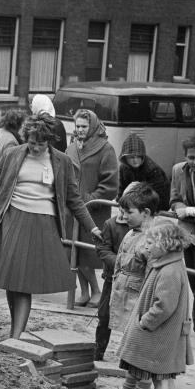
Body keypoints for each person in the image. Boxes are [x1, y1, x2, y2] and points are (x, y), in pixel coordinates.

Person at [0, 113, 101, 339]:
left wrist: (93, 228)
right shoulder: (12, 154)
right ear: (25, 138)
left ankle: (16, 337)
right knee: (13, 281)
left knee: (23, 284)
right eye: (31, 143)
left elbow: (74, 200)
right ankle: (15, 334)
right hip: (11, 221)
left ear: (49, 140)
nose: (36, 148)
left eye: (41, 143)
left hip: (42, 226)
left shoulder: (62, 162)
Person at [120, 223, 193, 389]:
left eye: (152, 242)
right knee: (166, 378)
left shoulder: (169, 271)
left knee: (160, 379)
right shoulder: (171, 263)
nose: (147, 246)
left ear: (166, 244)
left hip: (161, 335)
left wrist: (145, 322)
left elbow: (164, 306)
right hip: (168, 335)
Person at [99, 184, 158, 389]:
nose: (123, 217)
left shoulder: (152, 239)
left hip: (139, 303)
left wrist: (147, 308)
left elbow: (153, 279)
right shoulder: (132, 233)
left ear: (146, 213)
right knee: (129, 350)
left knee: (140, 353)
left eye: (129, 212)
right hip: (125, 298)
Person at [66, 109, 119, 308]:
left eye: (84, 126)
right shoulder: (71, 147)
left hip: (93, 210)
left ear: (93, 126)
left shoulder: (105, 148)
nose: (80, 130)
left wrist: (90, 199)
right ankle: (85, 291)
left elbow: (111, 183)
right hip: (71, 209)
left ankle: (96, 290)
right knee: (73, 251)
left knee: (88, 252)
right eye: (77, 126)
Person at [170, 136, 195, 332]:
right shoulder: (179, 170)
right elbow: (174, 197)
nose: (194, 162)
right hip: (188, 232)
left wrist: (191, 210)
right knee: (192, 280)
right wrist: (180, 207)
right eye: (191, 157)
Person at [118, 134, 170, 212]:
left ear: (143, 156)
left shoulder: (152, 169)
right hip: (134, 205)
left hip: (155, 207)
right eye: (131, 157)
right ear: (125, 158)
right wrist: (121, 200)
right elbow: (121, 189)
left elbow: (158, 197)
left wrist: (136, 189)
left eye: (138, 156)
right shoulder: (123, 168)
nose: (135, 160)